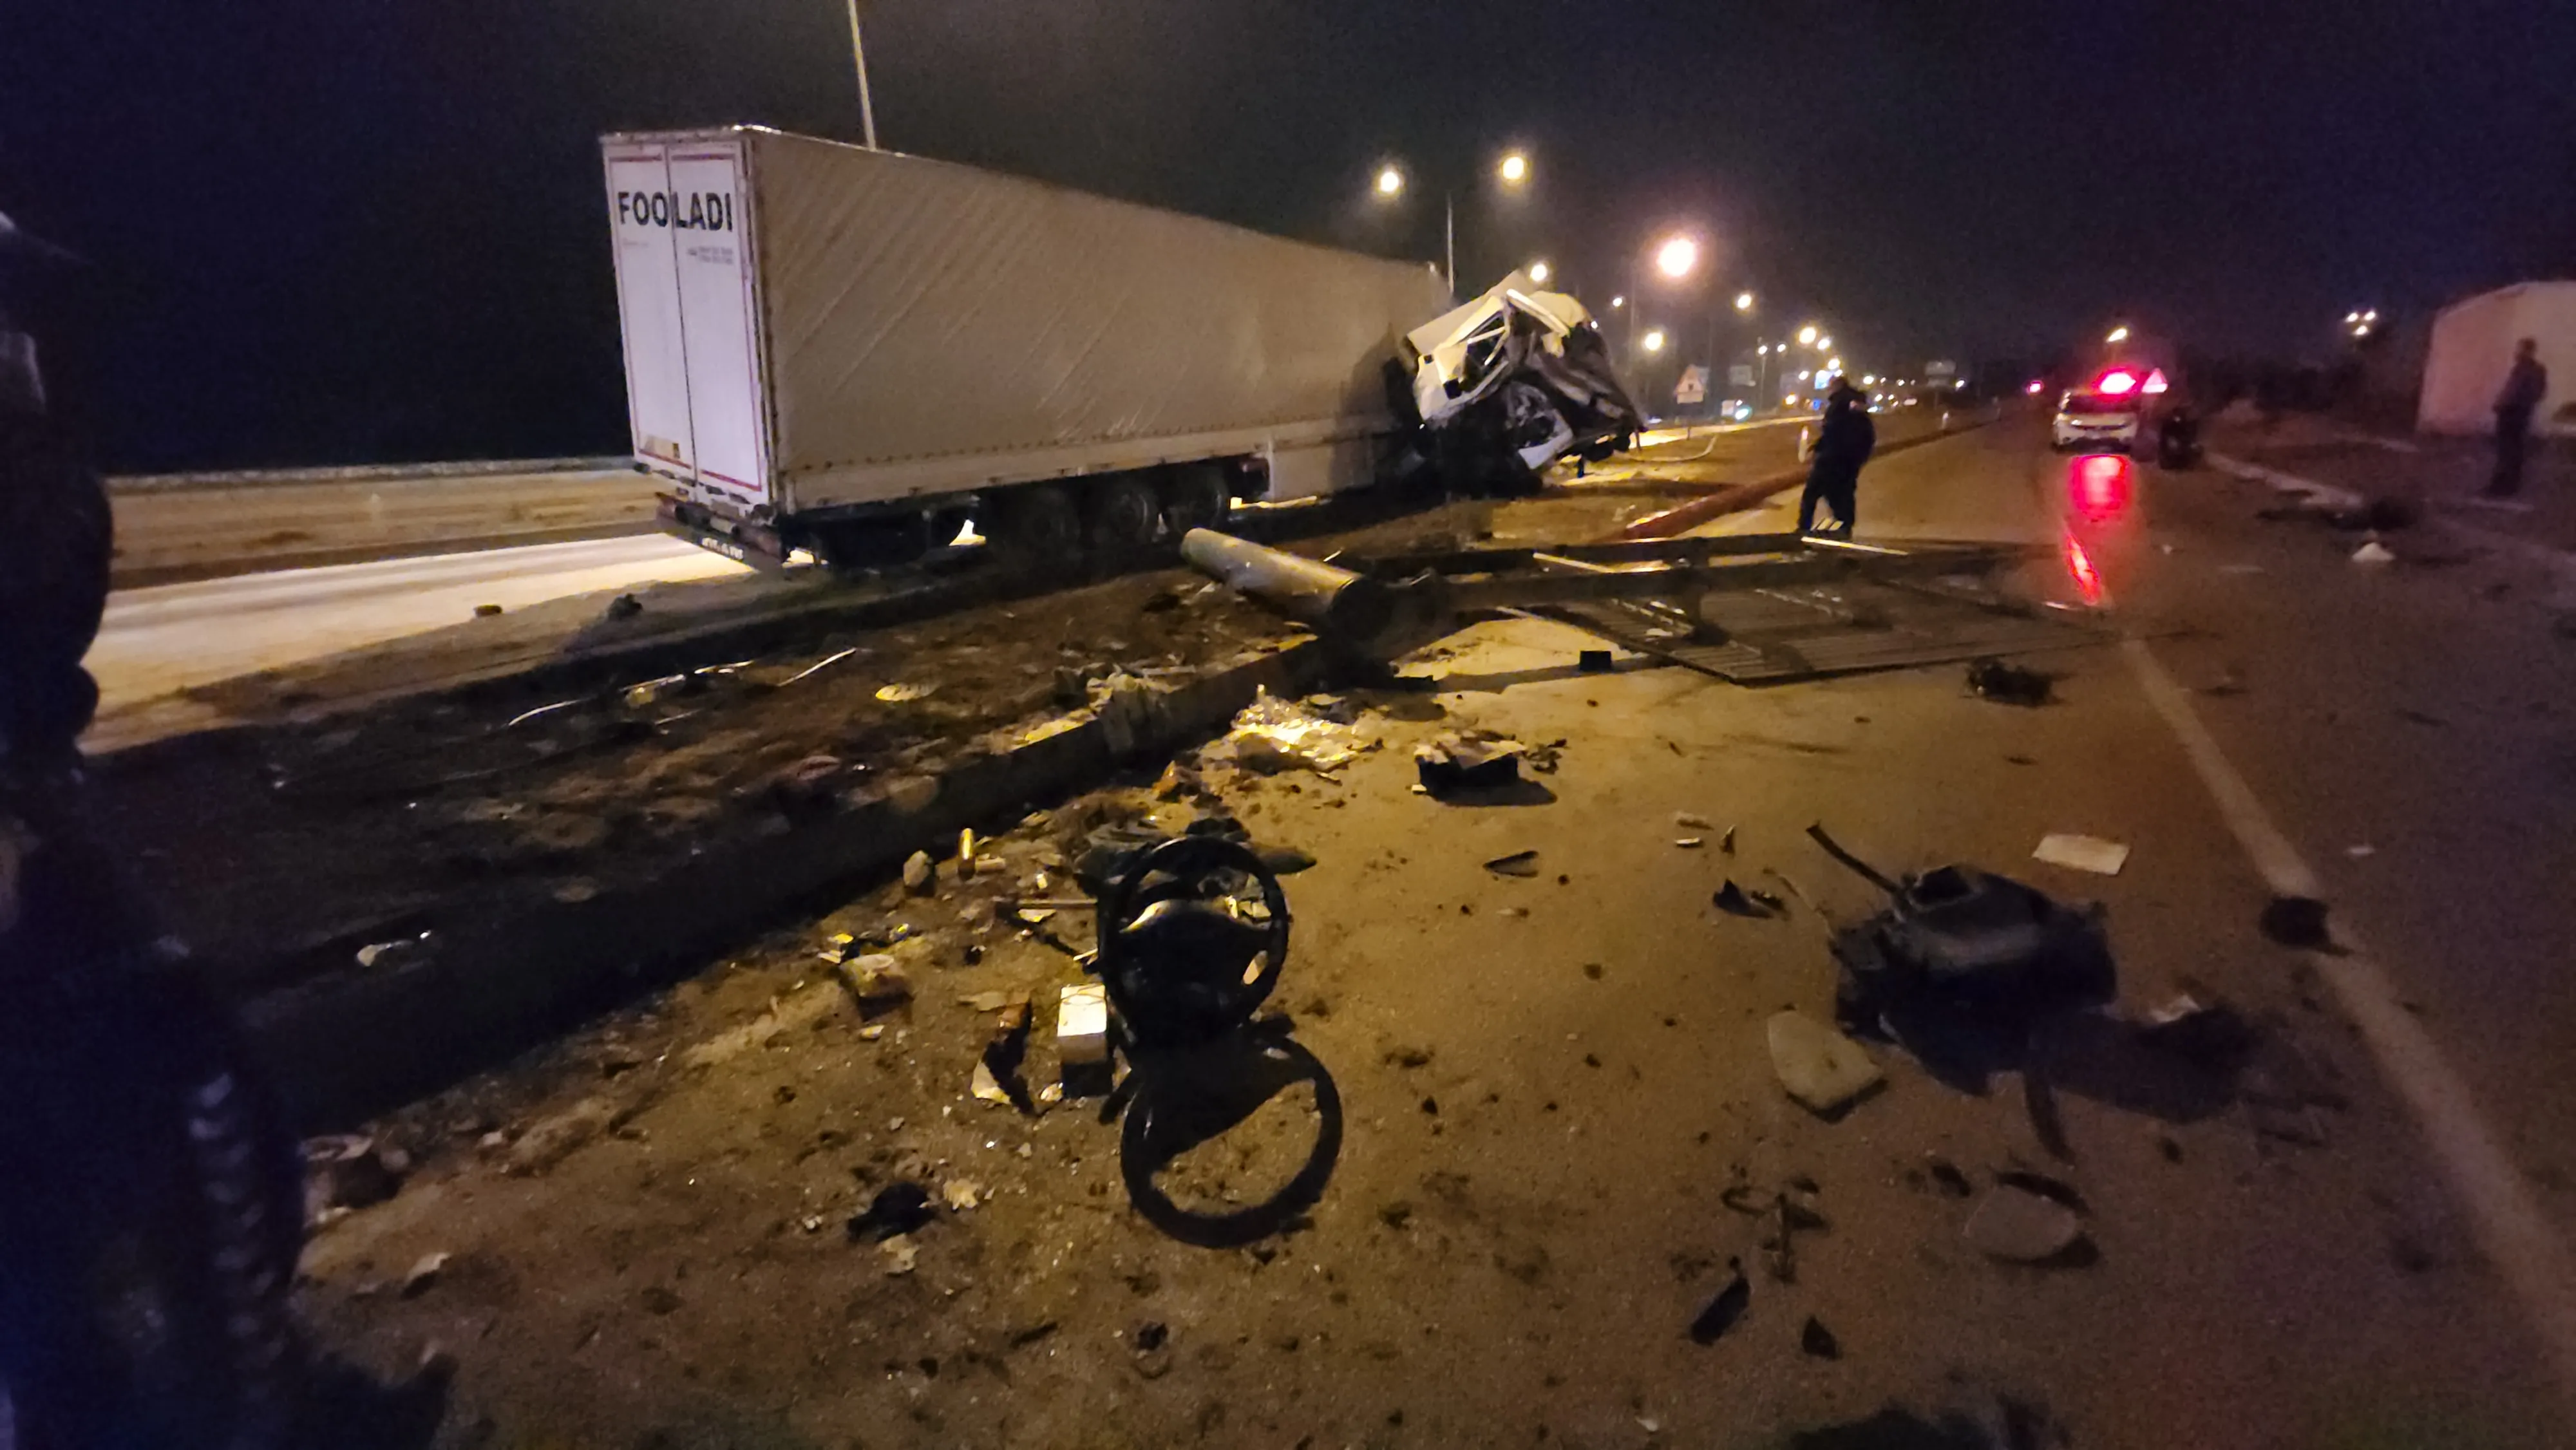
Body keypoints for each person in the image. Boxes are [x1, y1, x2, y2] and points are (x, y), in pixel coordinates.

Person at [1797, 376, 1875, 536]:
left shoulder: (1841, 403)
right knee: (1842, 492)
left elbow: (1835, 430)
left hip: (1834, 457)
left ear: (1837, 386)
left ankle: (1804, 528)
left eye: (1830, 386)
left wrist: (1822, 444)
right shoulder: (1855, 403)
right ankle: (1844, 527)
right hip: (1851, 458)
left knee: (1813, 491)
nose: (1828, 389)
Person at [2488, 337, 2548, 499]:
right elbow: (2540, 393)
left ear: (2527, 351)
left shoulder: (2525, 369)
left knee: (2507, 450)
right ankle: (2506, 485)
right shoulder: (2534, 369)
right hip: (2519, 413)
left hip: (2512, 413)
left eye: (2519, 348)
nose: (2516, 352)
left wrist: (2501, 404)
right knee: (2513, 450)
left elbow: (2514, 391)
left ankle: (2502, 486)